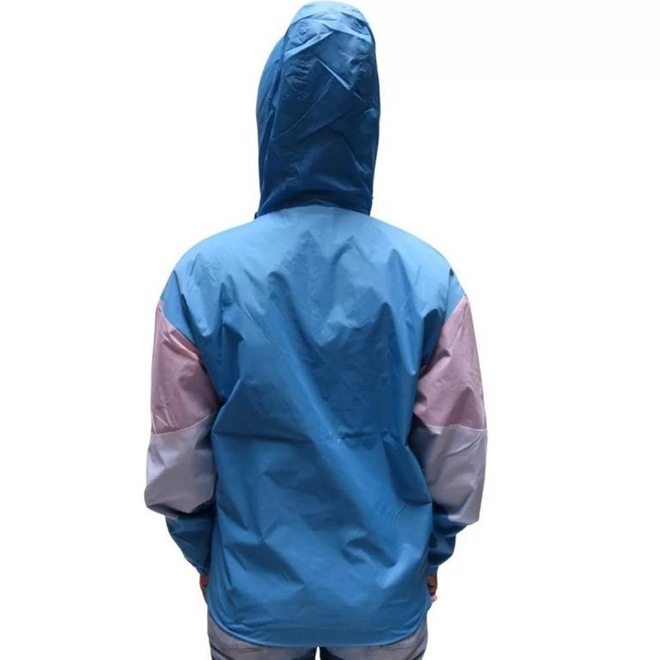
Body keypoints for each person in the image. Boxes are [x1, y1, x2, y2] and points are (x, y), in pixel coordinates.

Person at [144, 2, 487, 658]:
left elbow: (178, 452)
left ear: (270, 116)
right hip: (385, 598)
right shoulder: (428, 277)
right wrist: (431, 552)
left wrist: (206, 554)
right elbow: (456, 448)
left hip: (253, 596)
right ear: (369, 122)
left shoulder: (201, 276)